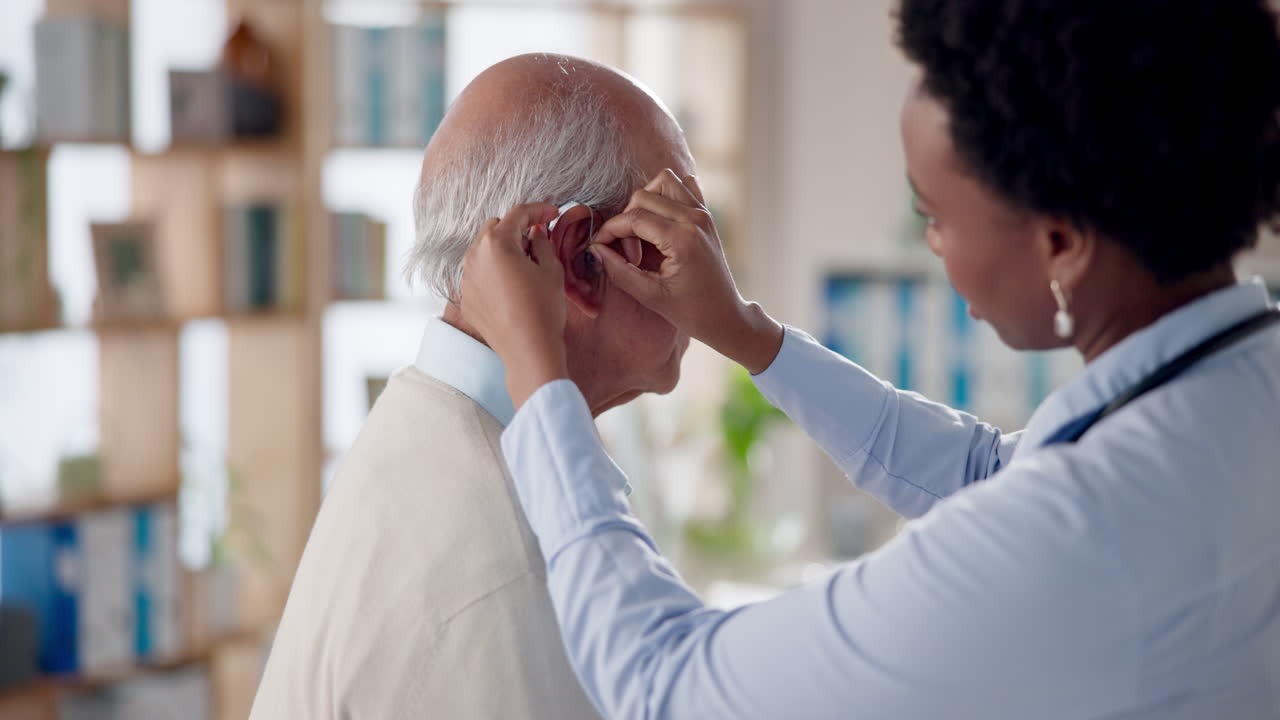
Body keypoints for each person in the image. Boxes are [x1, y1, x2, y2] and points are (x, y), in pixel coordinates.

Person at [457, 1, 1280, 718]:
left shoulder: (1080, 539)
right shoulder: (1238, 388)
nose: (930, 244)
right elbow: (992, 468)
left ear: (1060, 242)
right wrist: (746, 332)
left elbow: (663, 684)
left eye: (937, 215)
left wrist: (541, 375)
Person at [249, 53, 696, 719]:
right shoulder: (515, 562)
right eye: (681, 218)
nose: (709, 262)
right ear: (576, 255)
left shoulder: (428, 430)